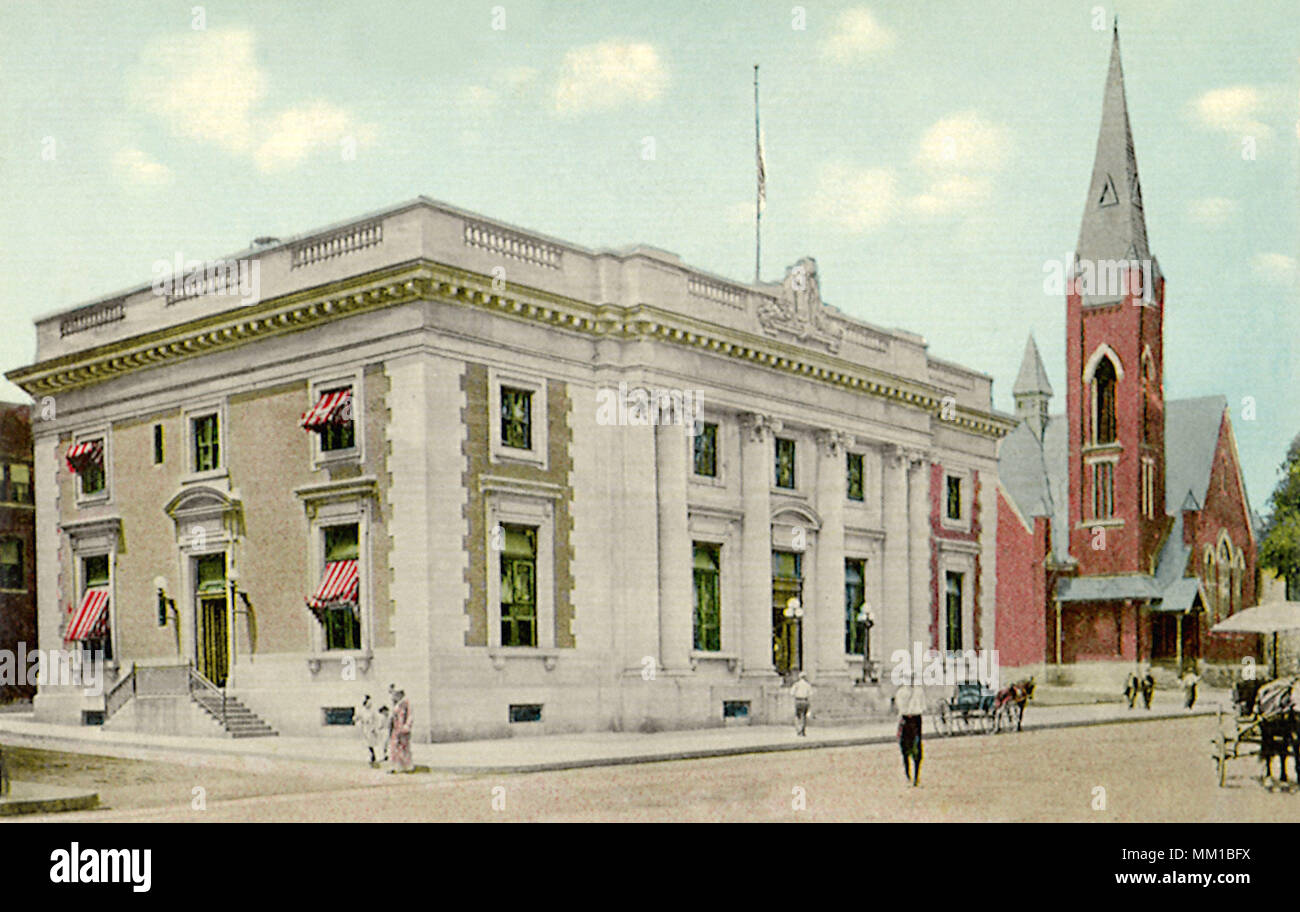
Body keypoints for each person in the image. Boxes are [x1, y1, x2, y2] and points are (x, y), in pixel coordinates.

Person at [895, 677, 927, 787]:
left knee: (917, 748)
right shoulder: (901, 692)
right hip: (906, 720)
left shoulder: (919, 691)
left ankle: (916, 777)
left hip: (916, 720)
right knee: (905, 748)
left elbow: (922, 706)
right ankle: (908, 776)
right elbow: (900, 708)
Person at [388, 688, 413, 773]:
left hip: (403, 729)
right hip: (395, 729)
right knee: (394, 748)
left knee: (404, 748)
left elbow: (410, 716)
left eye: (396, 694)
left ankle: (408, 767)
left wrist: (407, 726)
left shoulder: (405, 703)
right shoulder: (396, 704)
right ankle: (396, 767)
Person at [358, 695, 387, 765]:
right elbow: (360, 719)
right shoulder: (362, 711)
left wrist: (375, 728)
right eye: (367, 703)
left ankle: (380, 756)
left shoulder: (373, 711)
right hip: (366, 728)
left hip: (372, 729)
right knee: (368, 744)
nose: (369, 704)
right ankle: (372, 755)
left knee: (375, 743)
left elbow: (376, 720)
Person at [790, 672, 813, 736]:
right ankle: (802, 730)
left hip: (798, 700)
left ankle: (798, 729)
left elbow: (792, 693)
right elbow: (810, 694)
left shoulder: (796, 684)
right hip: (805, 700)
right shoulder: (808, 685)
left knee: (797, 716)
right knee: (804, 716)